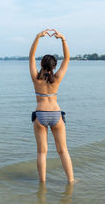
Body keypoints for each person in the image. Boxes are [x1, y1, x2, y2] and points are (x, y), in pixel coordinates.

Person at [29, 29, 75, 183]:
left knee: (42, 152)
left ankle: (42, 183)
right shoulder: (57, 78)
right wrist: (63, 38)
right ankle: (71, 180)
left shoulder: (36, 79)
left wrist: (38, 37)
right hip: (55, 114)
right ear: (54, 66)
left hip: (40, 115)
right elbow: (67, 58)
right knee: (63, 151)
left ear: (41, 65)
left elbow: (31, 57)